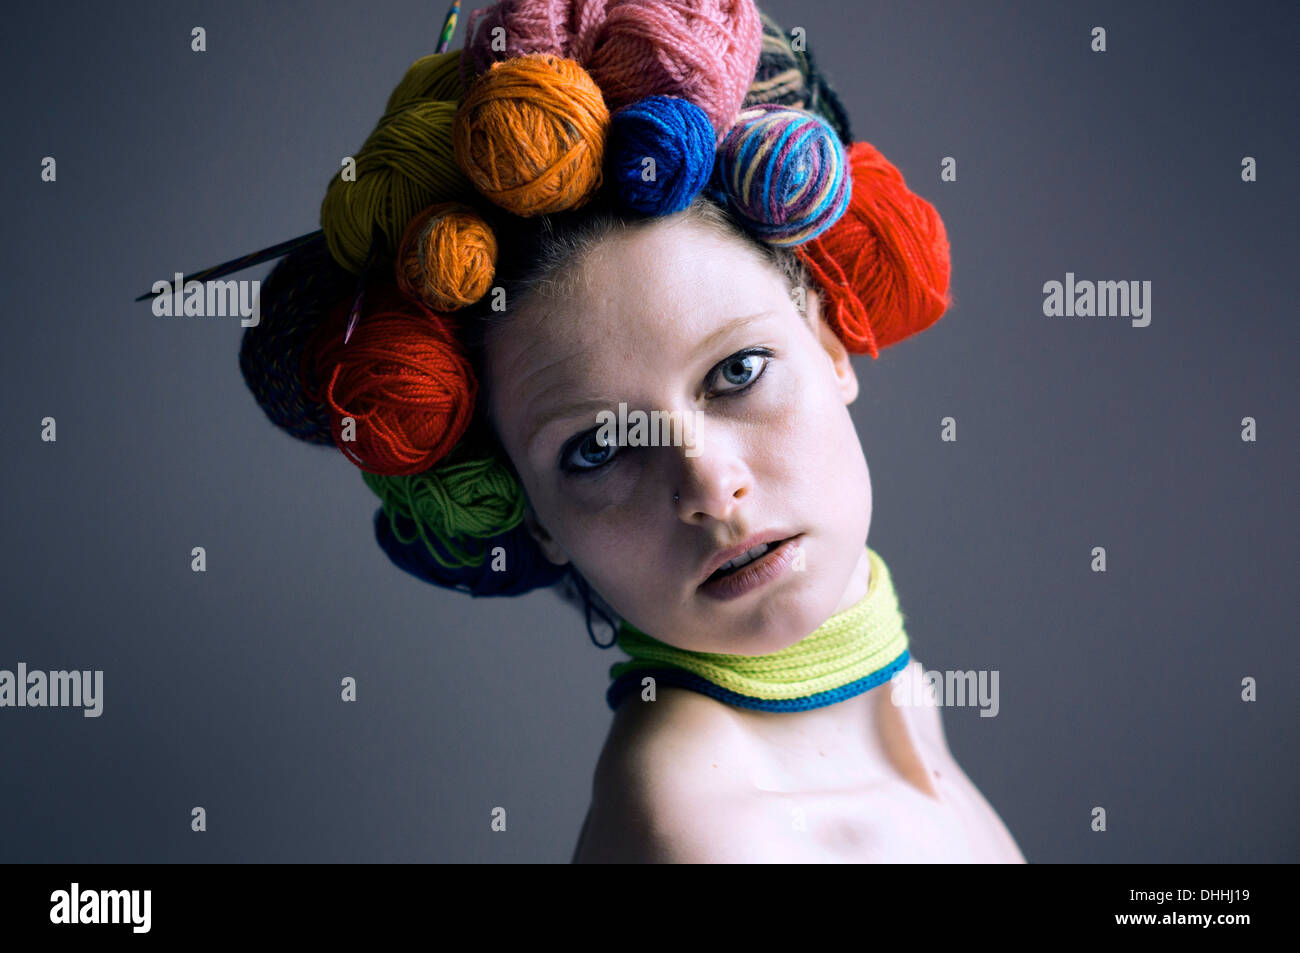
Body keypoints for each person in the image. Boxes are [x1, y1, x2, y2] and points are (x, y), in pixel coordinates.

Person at [236, 1, 1026, 863]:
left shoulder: (902, 704)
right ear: (531, 516)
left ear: (832, 342)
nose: (708, 484)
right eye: (598, 449)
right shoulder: (706, 835)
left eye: (737, 371)